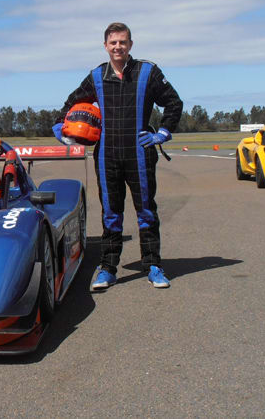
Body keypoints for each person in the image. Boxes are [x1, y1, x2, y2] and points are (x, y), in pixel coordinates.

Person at [53, 22, 183, 290]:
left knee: (146, 212)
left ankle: (154, 266)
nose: (118, 47)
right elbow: (70, 104)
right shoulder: (97, 76)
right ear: (105, 46)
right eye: (113, 43)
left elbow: (174, 102)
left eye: (122, 42)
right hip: (107, 156)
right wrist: (59, 127)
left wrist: (162, 133)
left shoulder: (148, 72)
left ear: (130, 45)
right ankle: (108, 268)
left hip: (140, 153)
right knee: (111, 213)